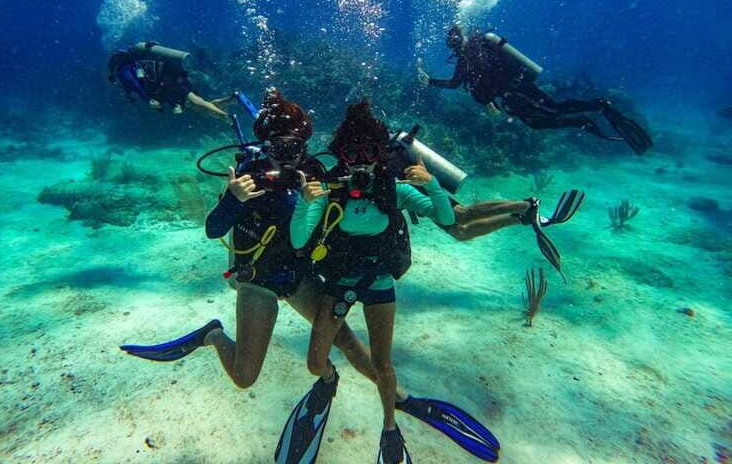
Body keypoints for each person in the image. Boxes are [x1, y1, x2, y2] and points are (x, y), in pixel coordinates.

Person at [120, 91, 500, 464]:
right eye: (279, 146)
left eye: (297, 144)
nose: (288, 154)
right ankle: (213, 335)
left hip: (301, 277)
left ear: (306, 141)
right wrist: (233, 197)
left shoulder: (316, 173)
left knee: (347, 342)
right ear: (265, 144)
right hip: (259, 279)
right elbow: (213, 228)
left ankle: (395, 395)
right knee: (245, 376)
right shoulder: (249, 176)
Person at [289, 100, 462, 464]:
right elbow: (298, 241)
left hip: (379, 281)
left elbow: (445, 217)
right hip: (338, 281)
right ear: (341, 155)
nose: (359, 161)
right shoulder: (330, 190)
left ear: (380, 155)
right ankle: (328, 379)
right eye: (351, 153)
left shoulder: (392, 189)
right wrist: (306, 203)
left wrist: (432, 185)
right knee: (314, 362)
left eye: (368, 152)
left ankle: (389, 428)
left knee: (383, 363)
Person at [419, 27, 653, 155]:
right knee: (539, 121)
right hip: (511, 96)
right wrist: (430, 82)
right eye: (451, 43)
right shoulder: (467, 59)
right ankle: (585, 120)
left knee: (553, 109)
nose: (454, 46)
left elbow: (472, 83)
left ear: (460, 38)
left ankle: (598, 107)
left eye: (453, 41)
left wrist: (486, 98)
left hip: (517, 90)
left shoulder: (478, 51)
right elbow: (456, 84)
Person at [107, 41, 228, 117]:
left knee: (197, 102)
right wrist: (174, 105)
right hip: (173, 75)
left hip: (170, 79)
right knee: (198, 103)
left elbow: (136, 85)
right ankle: (230, 100)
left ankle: (226, 115)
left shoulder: (124, 71)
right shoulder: (138, 63)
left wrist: (148, 99)